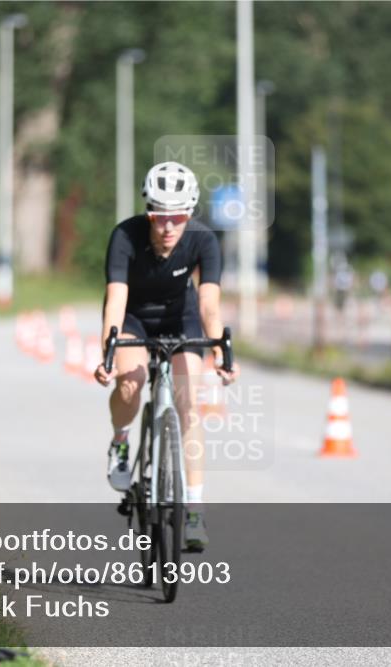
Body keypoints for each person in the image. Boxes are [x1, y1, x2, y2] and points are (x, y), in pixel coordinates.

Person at [94, 161, 239, 552]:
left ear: (189, 213)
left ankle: (193, 509)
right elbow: (115, 300)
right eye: (160, 217)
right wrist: (107, 354)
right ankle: (121, 440)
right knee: (131, 383)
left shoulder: (203, 240)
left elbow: (209, 305)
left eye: (178, 217)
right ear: (149, 213)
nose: (169, 226)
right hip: (134, 318)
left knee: (188, 401)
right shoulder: (125, 236)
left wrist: (221, 351)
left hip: (181, 318)